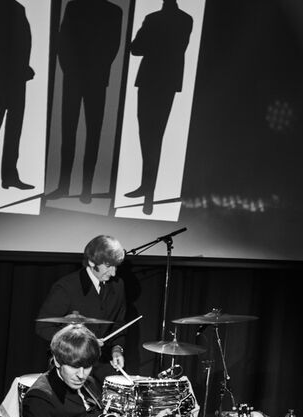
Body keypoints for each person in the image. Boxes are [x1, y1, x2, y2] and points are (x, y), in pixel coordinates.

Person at [50, 0, 124, 203]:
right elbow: (63, 40)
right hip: (81, 78)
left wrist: (76, 70)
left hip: (92, 80)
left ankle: (85, 189)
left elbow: (113, 47)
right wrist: (69, 70)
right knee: (72, 133)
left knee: (91, 135)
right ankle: (67, 187)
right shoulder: (79, 6)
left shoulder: (110, 11)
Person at [125, 0, 193, 215]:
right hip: (167, 82)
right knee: (153, 135)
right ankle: (148, 189)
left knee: (149, 135)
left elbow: (136, 48)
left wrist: (150, 41)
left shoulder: (154, 19)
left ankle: (148, 190)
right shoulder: (185, 20)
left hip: (151, 80)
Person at [36, 234, 131, 383]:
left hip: (103, 364)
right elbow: (43, 327)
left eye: (116, 267)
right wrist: (80, 344)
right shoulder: (66, 287)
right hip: (71, 364)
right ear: (92, 262)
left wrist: (117, 349)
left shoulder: (118, 285)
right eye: (108, 266)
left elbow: (119, 324)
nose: (113, 273)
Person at [0, 0, 35, 203]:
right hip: (1, 80)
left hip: (18, 80)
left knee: (14, 129)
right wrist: (21, 68)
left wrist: (24, 67)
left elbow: (23, 42)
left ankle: (9, 176)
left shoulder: (18, 8)